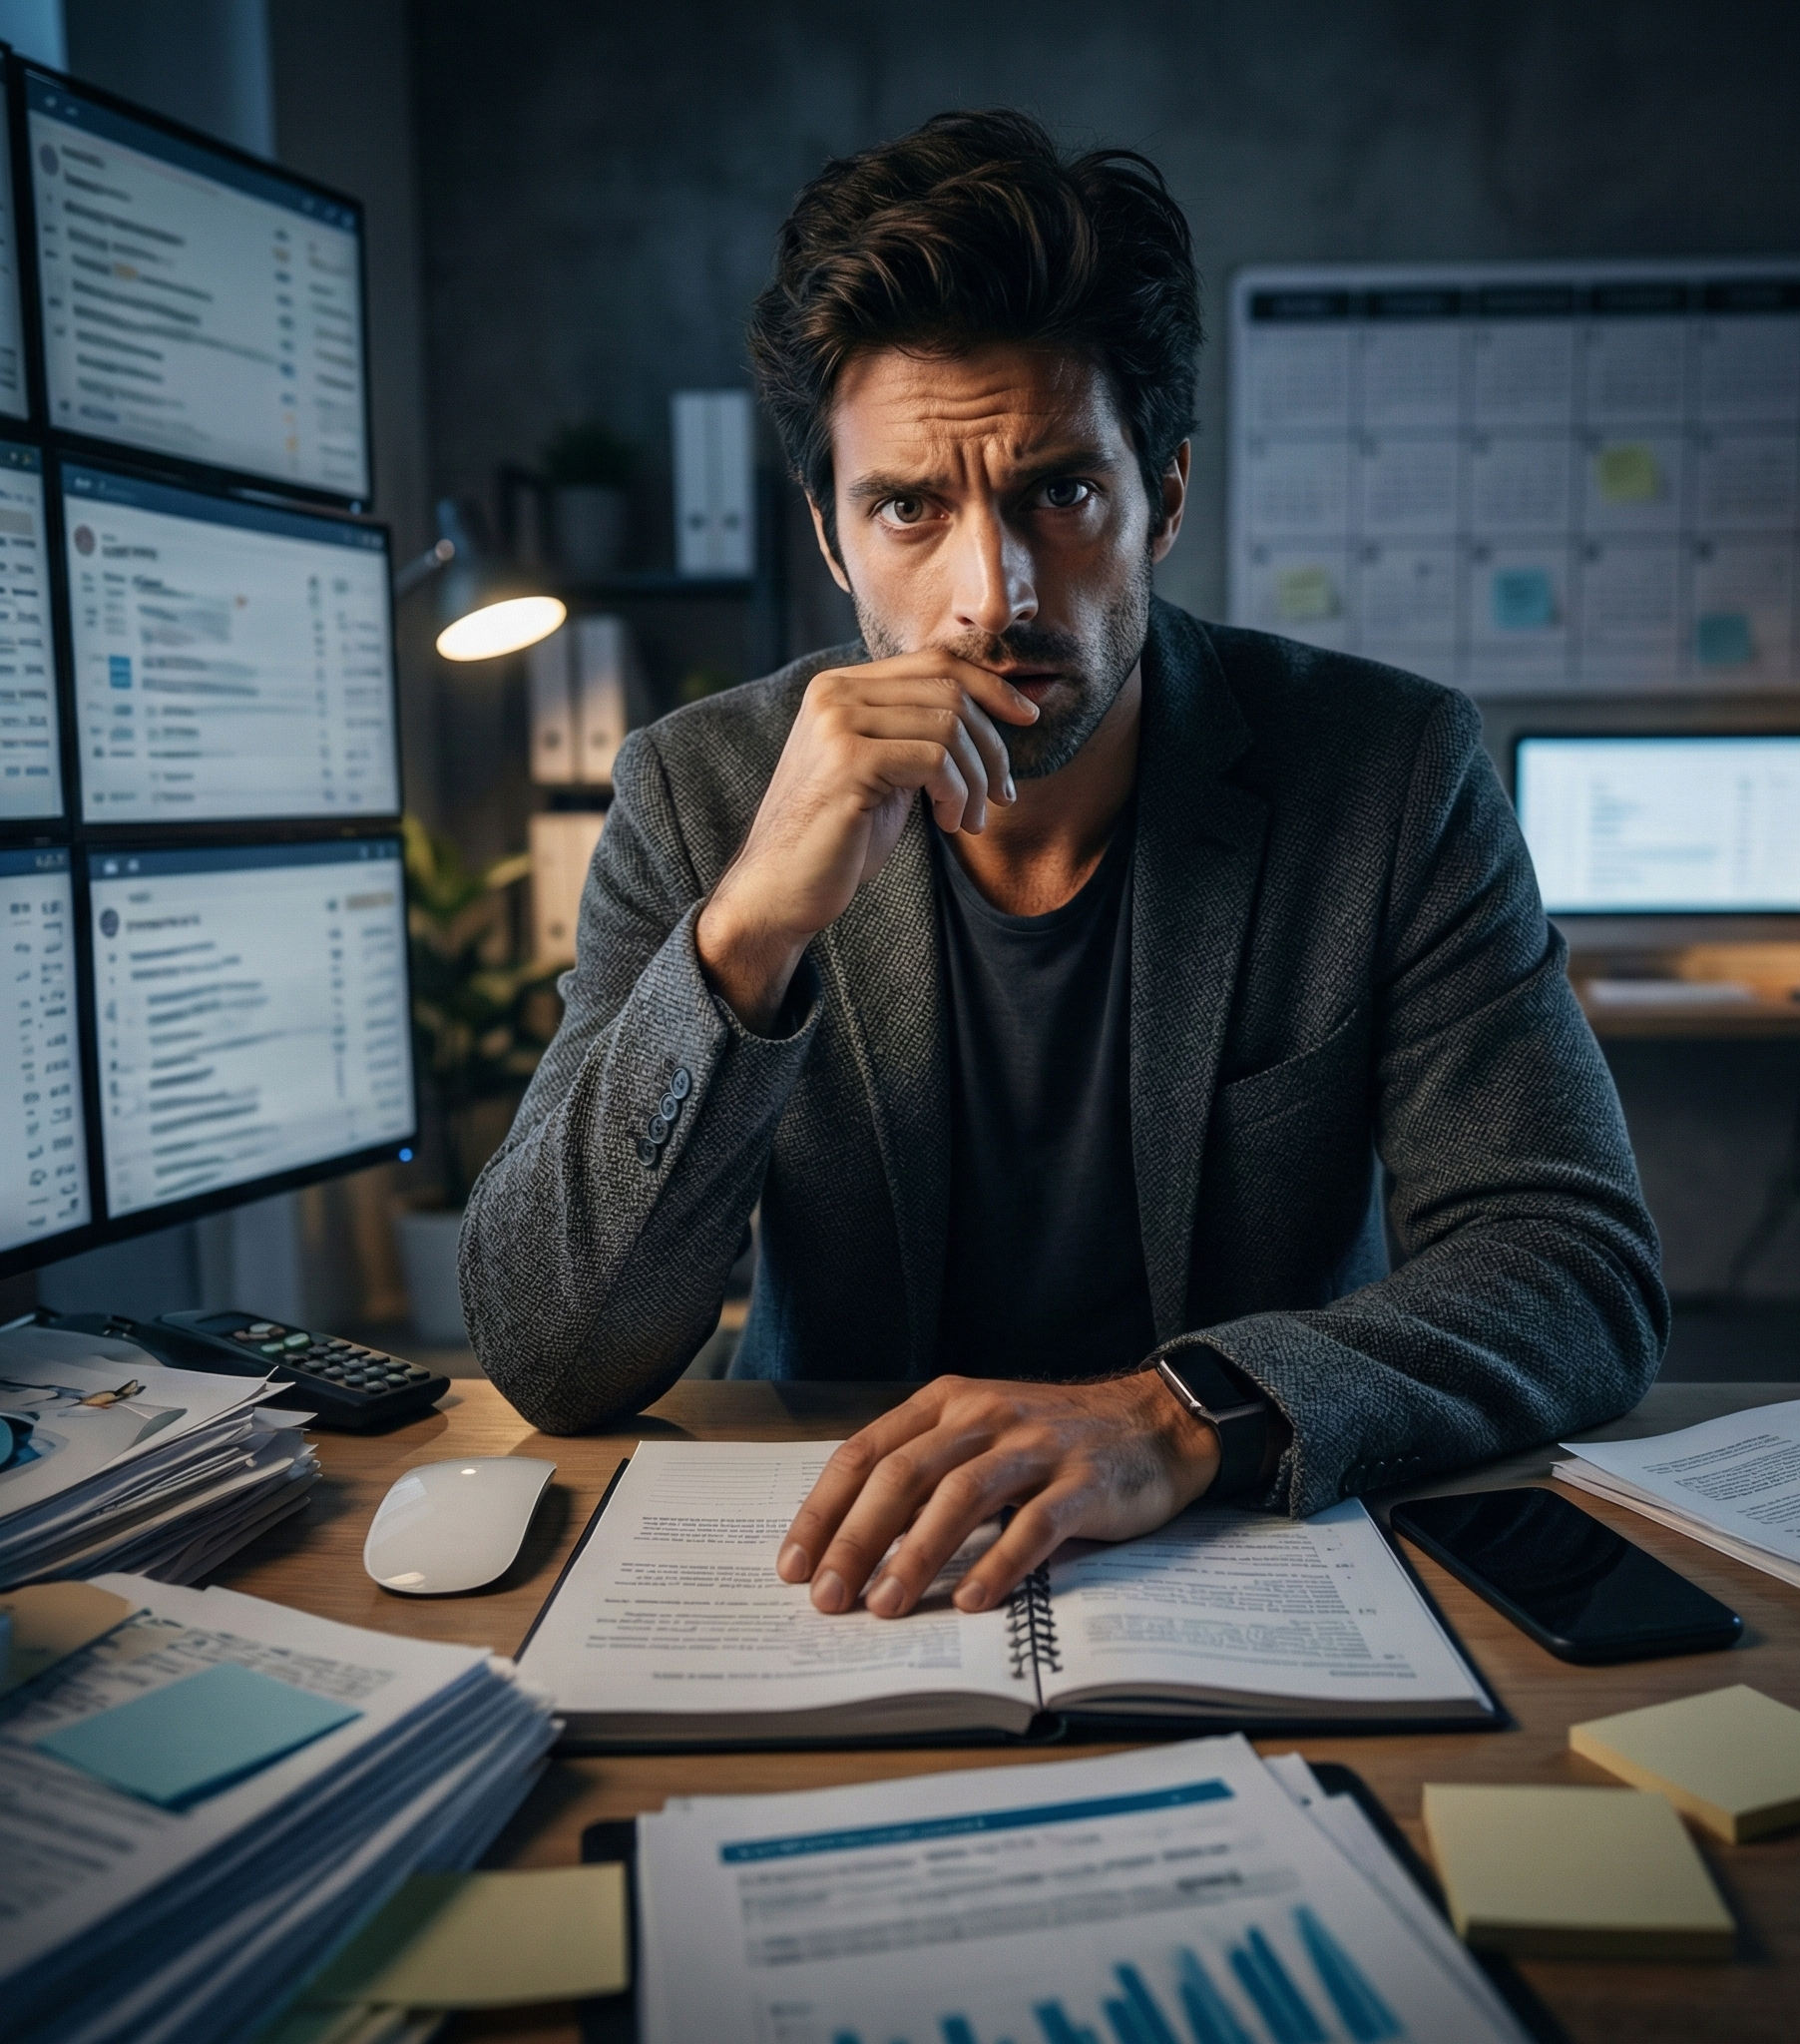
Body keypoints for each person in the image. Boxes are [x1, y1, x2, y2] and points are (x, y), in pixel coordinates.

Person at [460, 109, 1666, 1624]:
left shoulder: (1393, 771)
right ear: (833, 542)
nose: (994, 593)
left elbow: (1576, 1270)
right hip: (831, 1571)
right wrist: (750, 928)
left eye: (1058, 493)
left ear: (1162, 493)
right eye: (911, 507)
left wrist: (1184, 1413)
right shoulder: (701, 793)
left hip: (1242, 1559)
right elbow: (551, 1355)